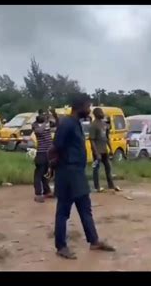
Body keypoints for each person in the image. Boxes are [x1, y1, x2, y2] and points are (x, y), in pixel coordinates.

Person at [52, 94, 115, 260]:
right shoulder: (66, 124)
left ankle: (94, 241)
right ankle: (61, 246)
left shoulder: (76, 123)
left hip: (78, 174)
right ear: (79, 107)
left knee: (85, 209)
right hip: (67, 174)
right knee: (63, 212)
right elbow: (56, 147)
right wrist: (55, 168)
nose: (90, 110)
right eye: (88, 106)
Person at [89, 107, 120, 192]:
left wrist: (110, 149)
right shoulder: (93, 125)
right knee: (96, 169)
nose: (103, 114)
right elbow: (91, 140)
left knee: (108, 167)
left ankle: (111, 185)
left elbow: (107, 138)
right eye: (101, 112)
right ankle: (97, 187)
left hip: (104, 150)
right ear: (96, 114)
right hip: (97, 151)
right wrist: (96, 153)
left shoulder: (104, 124)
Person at [32, 107, 58, 203]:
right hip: (41, 153)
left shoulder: (48, 124)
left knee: (46, 174)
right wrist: (46, 122)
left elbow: (58, 124)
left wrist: (54, 115)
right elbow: (39, 131)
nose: (45, 116)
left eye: (46, 114)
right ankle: (38, 194)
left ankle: (47, 191)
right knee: (38, 174)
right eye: (43, 114)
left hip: (48, 153)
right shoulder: (35, 125)